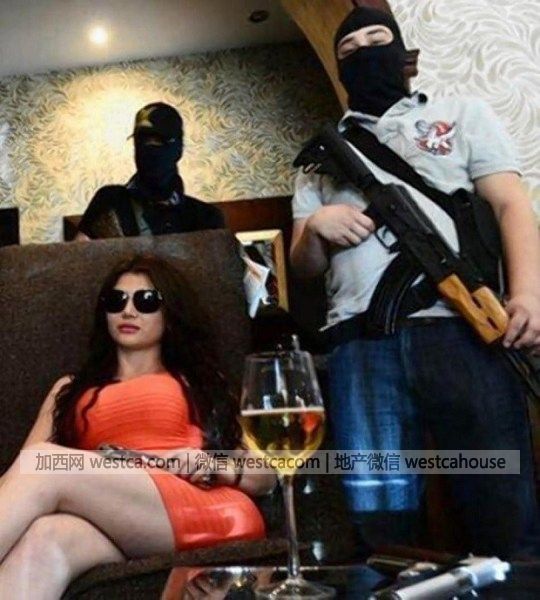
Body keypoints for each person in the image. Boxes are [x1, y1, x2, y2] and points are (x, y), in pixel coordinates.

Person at [290, 6, 540, 556]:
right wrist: (317, 227)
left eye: (377, 38)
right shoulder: (322, 158)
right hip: (360, 342)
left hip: (462, 331)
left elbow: (511, 204)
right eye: (349, 48)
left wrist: (527, 294)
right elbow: (302, 265)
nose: (364, 49)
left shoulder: (460, 114)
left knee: (500, 498)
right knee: (379, 516)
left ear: (404, 55)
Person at [0, 254, 274, 598]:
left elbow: (266, 475)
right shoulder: (69, 390)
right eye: (117, 301)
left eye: (145, 301)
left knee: (44, 462)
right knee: (45, 537)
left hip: (204, 506)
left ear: (169, 313)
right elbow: (21, 479)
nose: (128, 311)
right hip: (118, 521)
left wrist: (212, 464)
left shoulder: (199, 383)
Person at [75, 102, 224, 240]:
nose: (149, 148)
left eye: (159, 141)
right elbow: (79, 255)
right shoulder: (110, 202)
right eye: (142, 141)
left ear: (178, 148)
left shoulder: (205, 217)